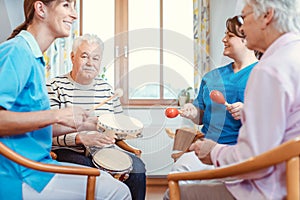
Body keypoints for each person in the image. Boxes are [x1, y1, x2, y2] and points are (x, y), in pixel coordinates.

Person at [166, 0, 300, 199]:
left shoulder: (268, 69)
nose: (244, 27)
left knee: (173, 192)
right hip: (284, 178)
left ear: (267, 16)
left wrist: (213, 152)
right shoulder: (292, 56)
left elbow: (254, 161)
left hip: (270, 188)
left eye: (244, 17)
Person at [0, 1, 131, 199]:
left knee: (112, 185)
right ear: (41, 9)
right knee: (116, 191)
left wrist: (85, 123)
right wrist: (56, 115)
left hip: (38, 169)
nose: (74, 15)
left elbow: (31, 125)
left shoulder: (34, 57)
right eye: (66, 5)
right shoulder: (17, 51)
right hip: (21, 176)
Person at [47, 33, 146, 200]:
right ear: (72, 57)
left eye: (95, 58)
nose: (89, 63)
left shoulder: (107, 89)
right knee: (93, 173)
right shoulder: (54, 86)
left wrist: (127, 132)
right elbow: (46, 131)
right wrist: (80, 139)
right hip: (69, 150)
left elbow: (118, 128)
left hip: (104, 150)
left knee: (137, 169)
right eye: (84, 56)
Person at [169, 16, 258, 175]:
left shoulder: (264, 73)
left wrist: (248, 111)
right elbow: (200, 117)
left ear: (247, 39)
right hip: (206, 148)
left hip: (242, 153)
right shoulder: (212, 77)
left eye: (230, 36)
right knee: (178, 173)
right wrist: (193, 112)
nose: (224, 39)